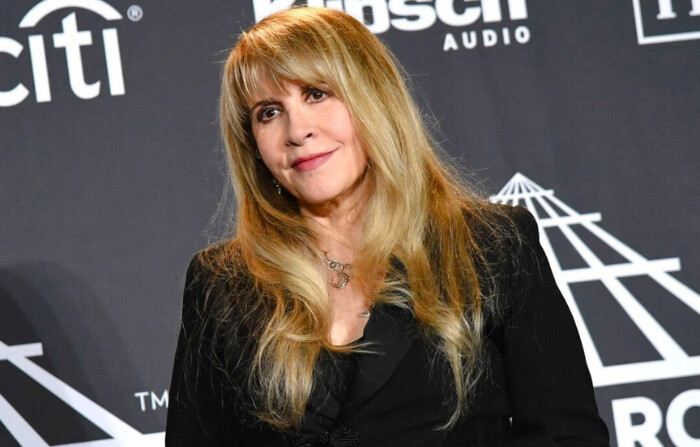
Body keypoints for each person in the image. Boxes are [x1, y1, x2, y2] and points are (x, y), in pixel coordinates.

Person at [166, 7, 610, 446]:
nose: (297, 129)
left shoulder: (492, 245)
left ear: (372, 97)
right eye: (268, 112)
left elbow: (566, 437)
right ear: (252, 144)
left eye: (317, 93)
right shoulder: (220, 283)